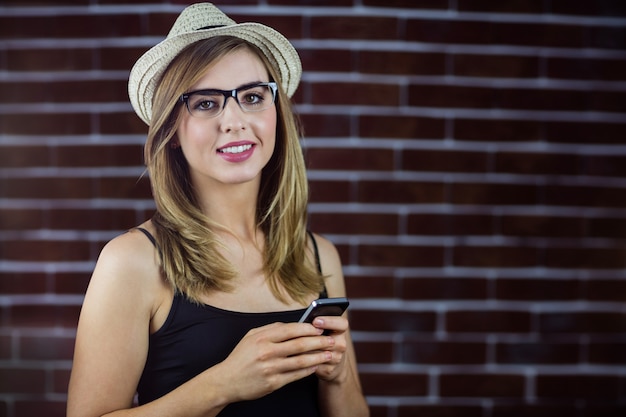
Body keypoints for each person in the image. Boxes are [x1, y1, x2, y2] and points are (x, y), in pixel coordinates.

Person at [67, 3, 369, 417]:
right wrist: (222, 385)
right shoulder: (132, 262)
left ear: (275, 113)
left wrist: (338, 378)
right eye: (206, 103)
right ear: (173, 130)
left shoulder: (318, 256)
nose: (234, 120)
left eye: (252, 97)